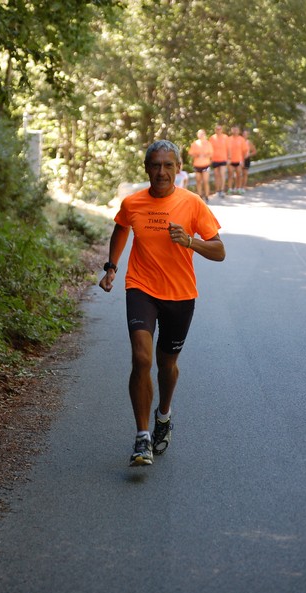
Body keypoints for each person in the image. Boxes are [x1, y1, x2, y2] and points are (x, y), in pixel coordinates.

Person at [99, 140, 226, 467]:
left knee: (166, 364)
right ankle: (142, 438)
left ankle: (164, 415)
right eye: (155, 165)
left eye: (168, 165)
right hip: (140, 287)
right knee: (141, 358)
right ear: (146, 168)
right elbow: (121, 228)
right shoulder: (133, 202)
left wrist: (191, 242)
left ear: (179, 169)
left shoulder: (193, 204)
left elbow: (219, 250)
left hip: (180, 295)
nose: (161, 172)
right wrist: (112, 267)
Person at [188, 129, 213, 202]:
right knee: (198, 181)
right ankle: (200, 196)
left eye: (202, 134)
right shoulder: (195, 143)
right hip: (197, 164)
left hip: (206, 164)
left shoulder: (208, 143)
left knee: (205, 181)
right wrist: (197, 155)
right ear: (197, 135)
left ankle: (207, 196)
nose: (201, 135)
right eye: (200, 134)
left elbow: (211, 154)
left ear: (205, 134)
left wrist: (205, 155)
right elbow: (191, 153)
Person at [227, 125, 248, 195]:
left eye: (237, 130)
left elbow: (245, 151)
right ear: (231, 130)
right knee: (230, 175)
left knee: (239, 175)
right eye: (234, 130)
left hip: (239, 160)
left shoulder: (241, 139)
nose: (235, 131)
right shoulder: (228, 139)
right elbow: (225, 150)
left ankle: (238, 188)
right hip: (230, 161)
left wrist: (243, 161)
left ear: (239, 131)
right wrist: (227, 159)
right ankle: (230, 189)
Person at [209, 124, 228, 198]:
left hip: (223, 158)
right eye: (217, 129)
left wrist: (229, 158)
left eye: (220, 129)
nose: (218, 130)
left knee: (222, 174)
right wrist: (210, 159)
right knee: (216, 175)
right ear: (215, 130)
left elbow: (228, 148)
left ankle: (222, 190)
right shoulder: (212, 138)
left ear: (222, 130)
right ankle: (217, 190)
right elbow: (209, 149)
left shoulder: (225, 137)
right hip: (215, 159)